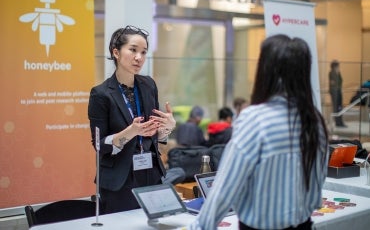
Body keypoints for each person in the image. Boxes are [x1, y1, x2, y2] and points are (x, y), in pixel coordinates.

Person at [189, 34, 329, 230]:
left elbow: (225, 187)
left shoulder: (255, 119)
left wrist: (201, 226)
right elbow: (317, 181)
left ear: (265, 71)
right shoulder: (314, 120)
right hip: (304, 224)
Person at [88, 25, 176, 214]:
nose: (139, 57)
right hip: (119, 180)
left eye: (143, 52)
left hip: (150, 173)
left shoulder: (148, 85)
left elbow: (155, 135)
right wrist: (131, 132)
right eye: (133, 50)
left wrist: (167, 127)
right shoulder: (101, 94)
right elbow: (99, 144)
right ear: (116, 52)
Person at [329, 60, 346, 127]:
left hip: (338, 91)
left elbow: (340, 81)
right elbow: (333, 83)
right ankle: (338, 123)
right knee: (336, 107)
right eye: (337, 66)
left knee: (340, 107)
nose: (338, 67)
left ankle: (341, 122)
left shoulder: (338, 73)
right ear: (334, 66)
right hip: (334, 92)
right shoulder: (331, 73)